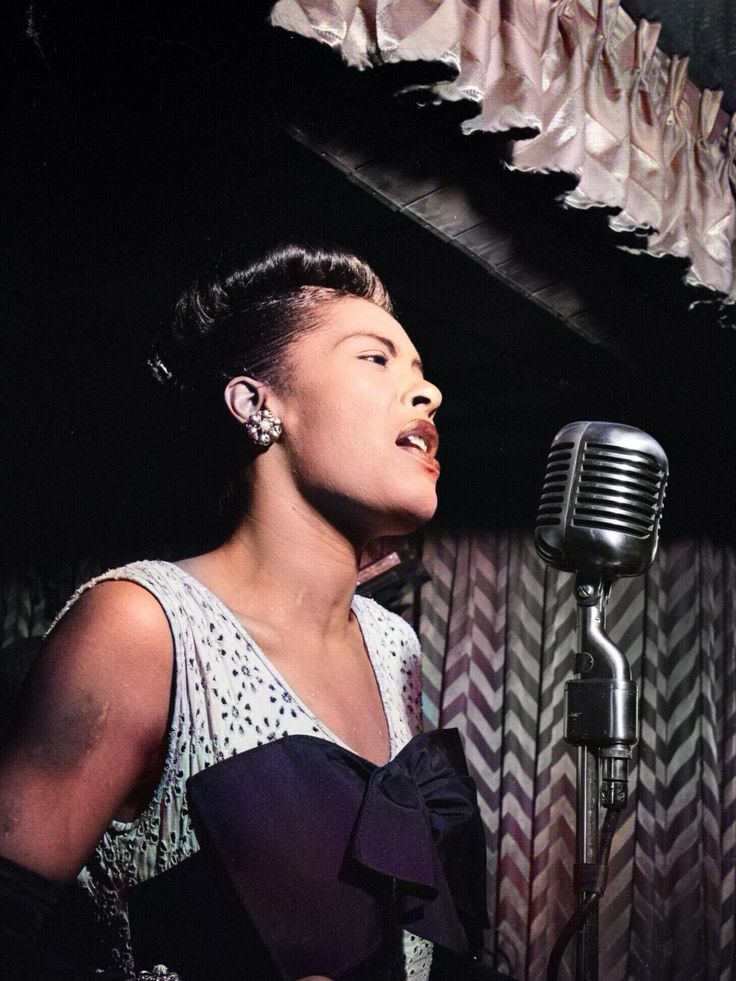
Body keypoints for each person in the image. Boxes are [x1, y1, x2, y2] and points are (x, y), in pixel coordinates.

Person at [0, 245, 486, 980]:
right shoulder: (143, 625)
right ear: (258, 404)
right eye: (377, 360)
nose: (429, 395)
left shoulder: (394, 647)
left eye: (421, 372)